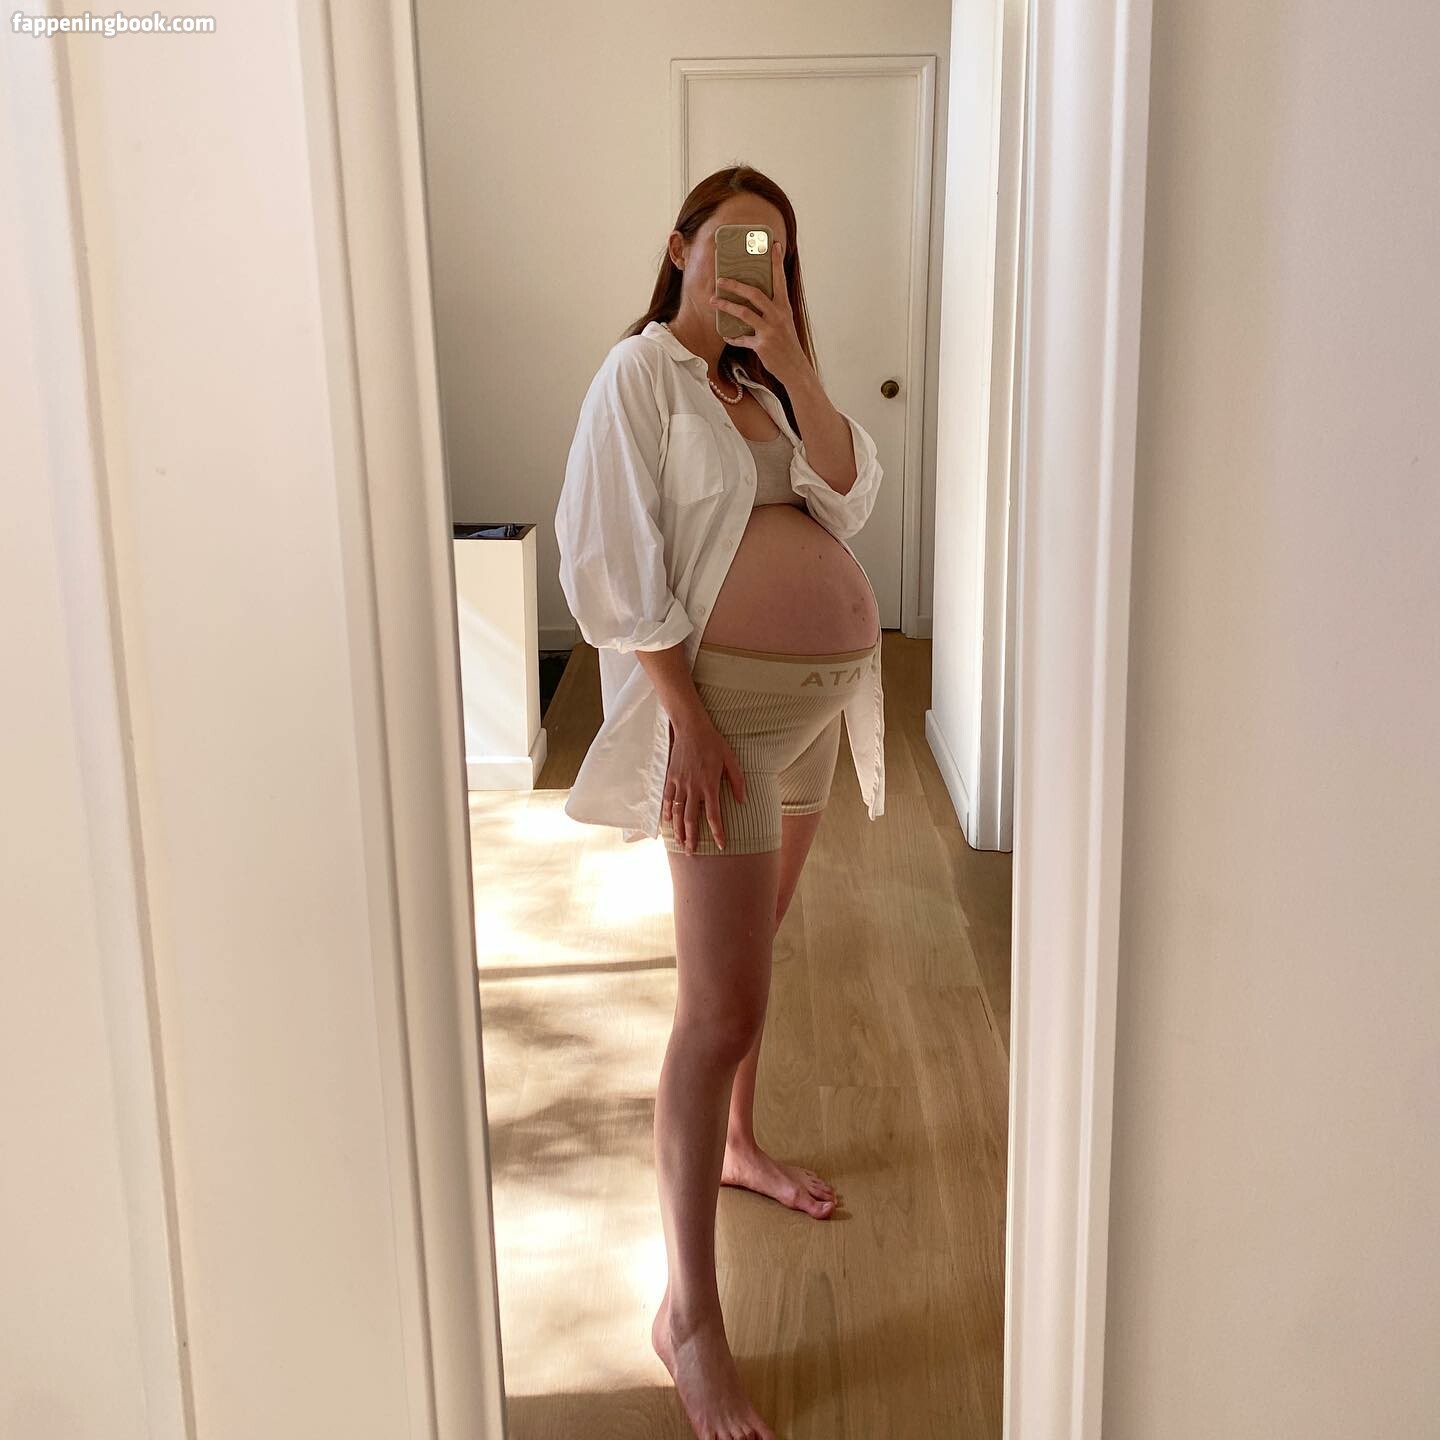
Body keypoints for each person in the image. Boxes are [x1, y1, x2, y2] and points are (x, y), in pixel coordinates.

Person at [555, 164, 886, 1440]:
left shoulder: (765, 386)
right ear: (681, 245)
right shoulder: (638, 376)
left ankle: (740, 1146)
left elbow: (851, 494)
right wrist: (689, 723)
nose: (755, 268)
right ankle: (687, 1316)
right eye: (734, 243)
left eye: (778, 255)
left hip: (813, 723)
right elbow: (609, 557)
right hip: (729, 725)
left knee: (759, 954)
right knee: (718, 1009)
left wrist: (795, 365)